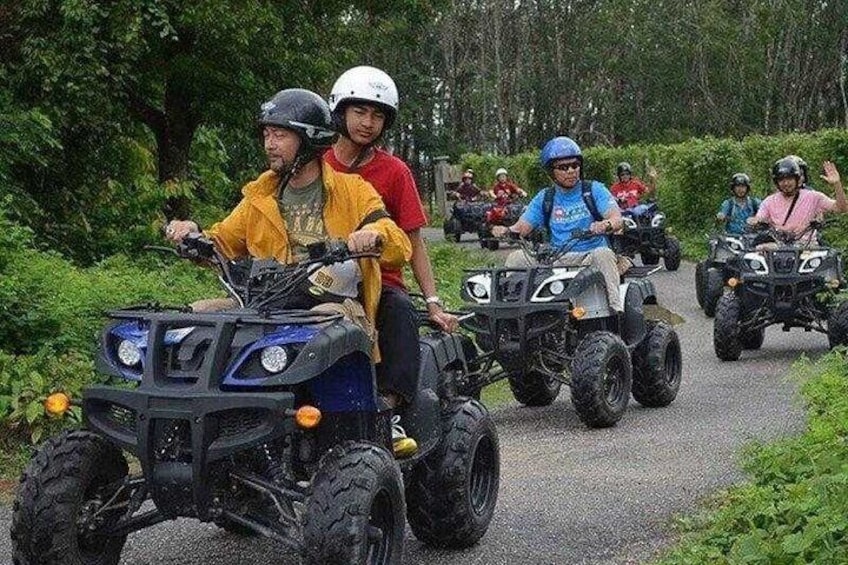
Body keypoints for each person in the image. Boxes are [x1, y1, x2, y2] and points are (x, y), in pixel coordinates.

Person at [164, 87, 412, 365]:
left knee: (323, 325)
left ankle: (324, 407)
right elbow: (222, 242)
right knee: (195, 317)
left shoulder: (353, 190)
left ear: (309, 139)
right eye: (267, 134)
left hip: (331, 302)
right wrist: (192, 234)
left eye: (279, 135)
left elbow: (399, 244)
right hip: (264, 302)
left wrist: (374, 235)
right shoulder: (259, 197)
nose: (270, 144)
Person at [324, 65, 458, 455]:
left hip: (380, 281)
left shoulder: (394, 171)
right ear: (340, 112)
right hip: (320, 279)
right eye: (360, 112)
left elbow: (414, 241)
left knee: (398, 310)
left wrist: (432, 301)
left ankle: (390, 411)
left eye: (378, 115)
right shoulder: (316, 167)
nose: (368, 123)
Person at [491, 136, 624, 312]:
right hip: (556, 258)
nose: (571, 171)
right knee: (516, 258)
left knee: (604, 254)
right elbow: (522, 228)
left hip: (589, 255)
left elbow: (617, 219)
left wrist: (604, 224)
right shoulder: (545, 198)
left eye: (575, 165)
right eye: (563, 167)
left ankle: (616, 310)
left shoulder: (593, 190)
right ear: (551, 172)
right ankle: (512, 312)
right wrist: (505, 231)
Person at [747, 157, 847, 243]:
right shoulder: (769, 201)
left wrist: (837, 184)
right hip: (777, 248)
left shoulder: (813, 197)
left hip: (807, 248)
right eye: (781, 179)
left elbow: (841, 208)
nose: (785, 183)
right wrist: (754, 221)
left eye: (789, 178)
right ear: (776, 182)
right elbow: (759, 218)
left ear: (797, 179)